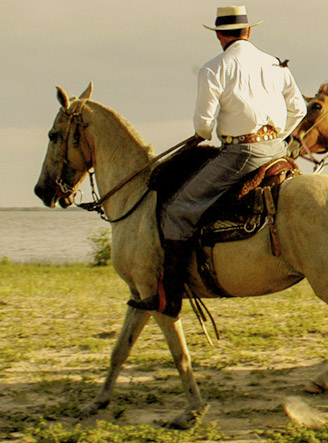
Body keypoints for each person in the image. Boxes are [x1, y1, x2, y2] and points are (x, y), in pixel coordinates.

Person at [129, 5, 306, 317]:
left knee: (179, 209)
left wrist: (203, 133)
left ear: (220, 36)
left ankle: (169, 298)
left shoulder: (214, 68)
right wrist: (279, 134)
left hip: (241, 153)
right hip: (277, 149)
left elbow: (203, 126)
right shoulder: (277, 66)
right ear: (249, 31)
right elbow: (299, 110)